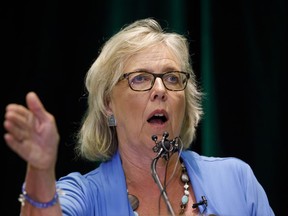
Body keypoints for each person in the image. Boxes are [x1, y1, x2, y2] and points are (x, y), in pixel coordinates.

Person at [3, 18, 274, 216]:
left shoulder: (236, 180)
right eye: (141, 78)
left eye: (171, 77)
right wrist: (40, 169)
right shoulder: (84, 196)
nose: (160, 90)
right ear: (108, 103)